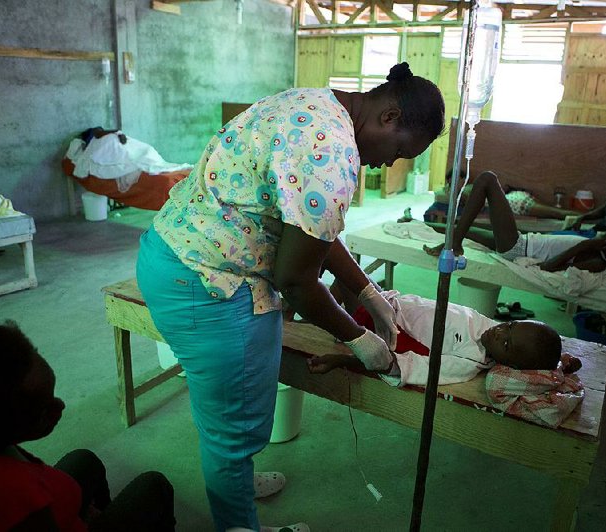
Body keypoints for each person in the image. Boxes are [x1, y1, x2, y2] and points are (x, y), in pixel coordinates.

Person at [136, 62, 445, 532]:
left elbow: (308, 224)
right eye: (401, 149)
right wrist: (358, 338)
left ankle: (235, 479)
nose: (390, 164)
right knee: (232, 429)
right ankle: (238, 520)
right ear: (388, 118)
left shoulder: (317, 104)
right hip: (209, 283)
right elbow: (297, 280)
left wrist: (367, 290)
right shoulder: (333, 155)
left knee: (229, 421)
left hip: (173, 253)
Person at [0, 298, 176, 531]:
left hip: (57, 504)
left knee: (84, 460)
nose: (60, 406)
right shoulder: (10, 499)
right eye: (42, 410)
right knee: (153, 486)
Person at [306, 291, 580, 383]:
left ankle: (298, 311)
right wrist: (562, 361)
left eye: (505, 343)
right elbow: (532, 346)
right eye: (509, 326)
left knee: (323, 290)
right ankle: (300, 308)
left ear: (508, 364)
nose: (499, 332)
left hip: (379, 327)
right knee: (339, 272)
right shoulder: (492, 330)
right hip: (391, 301)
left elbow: (402, 366)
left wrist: (341, 360)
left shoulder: (467, 363)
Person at [423, 170, 606, 273]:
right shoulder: (600, 250)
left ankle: (455, 244)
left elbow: (549, 267)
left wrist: (586, 245)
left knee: (487, 179)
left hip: (519, 248)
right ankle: (426, 228)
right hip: (522, 242)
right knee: (464, 230)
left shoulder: (597, 261)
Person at [62, 127, 193, 211]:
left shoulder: (112, 135)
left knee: (148, 157)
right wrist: (112, 134)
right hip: (120, 156)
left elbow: (134, 147)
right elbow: (102, 152)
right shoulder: (97, 142)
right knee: (163, 181)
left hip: (133, 155)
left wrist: (117, 133)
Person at [412, 167, 578, 225]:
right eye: (451, 181)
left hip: (513, 202)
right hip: (513, 200)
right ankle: (583, 217)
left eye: (458, 179)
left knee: (556, 213)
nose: (455, 183)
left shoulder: (470, 188)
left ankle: (584, 217)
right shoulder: (457, 190)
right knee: (554, 213)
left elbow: (464, 200)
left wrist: (453, 189)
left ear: (464, 178)